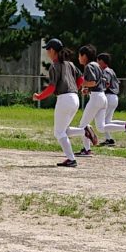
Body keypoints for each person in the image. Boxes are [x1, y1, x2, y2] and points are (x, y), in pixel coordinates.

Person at [67, 44, 126, 156]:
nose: (78, 58)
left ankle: (87, 150)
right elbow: (99, 83)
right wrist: (87, 90)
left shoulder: (89, 66)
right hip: (102, 97)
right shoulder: (97, 65)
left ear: (84, 56)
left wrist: (80, 83)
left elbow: (92, 82)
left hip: (96, 98)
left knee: (83, 125)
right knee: (101, 127)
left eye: (79, 55)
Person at [33, 38, 83, 167]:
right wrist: (75, 89)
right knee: (64, 130)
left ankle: (71, 159)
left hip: (64, 99)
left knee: (58, 132)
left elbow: (52, 88)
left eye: (48, 50)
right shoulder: (70, 64)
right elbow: (81, 78)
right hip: (75, 98)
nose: (48, 53)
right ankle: (84, 131)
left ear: (53, 50)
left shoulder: (54, 66)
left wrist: (39, 96)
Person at [96, 52, 126, 146]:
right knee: (107, 121)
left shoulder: (105, 71)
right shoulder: (111, 70)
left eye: (98, 61)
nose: (97, 64)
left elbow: (107, 84)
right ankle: (110, 138)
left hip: (109, 96)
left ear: (102, 61)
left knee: (103, 123)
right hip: (114, 97)